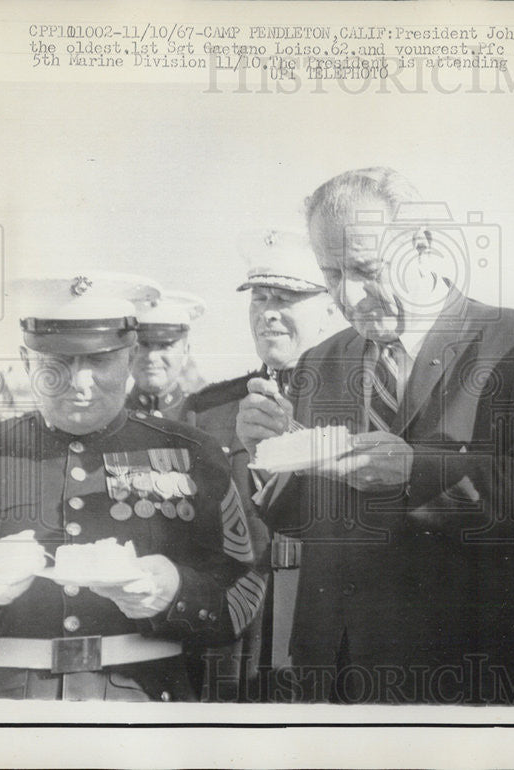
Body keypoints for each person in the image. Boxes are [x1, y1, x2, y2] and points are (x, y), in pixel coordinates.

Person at [237, 168, 514, 705]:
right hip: (335, 672)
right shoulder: (320, 361)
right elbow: (298, 520)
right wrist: (271, 453)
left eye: (365, 269)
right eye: (331, 274)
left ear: (422, 246)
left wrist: (417, 473)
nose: (349, 296)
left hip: (468, 670)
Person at [0, 272, 265, 701]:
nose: (80, 384)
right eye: (56, 363)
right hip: (7, 709)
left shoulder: (192, 452)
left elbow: (243, 594)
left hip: (145, 704)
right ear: (26, 361)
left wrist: (174, 590)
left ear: (130, 356)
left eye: (100, 361)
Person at [184, 229, 345, 701]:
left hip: (333, 634)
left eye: (288, 297)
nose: (268, 312)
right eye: (259, 297)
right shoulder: (207, 412)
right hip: (239, 641)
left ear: (332, 307)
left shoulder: (369, 403)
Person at [127, 290, 206, 421]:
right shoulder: (106, 417)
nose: (152, 357)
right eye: (143, 344)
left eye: (164, 346)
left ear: (185, 352)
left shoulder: (208, 418)